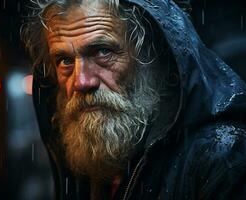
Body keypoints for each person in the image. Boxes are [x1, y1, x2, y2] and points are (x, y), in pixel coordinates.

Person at [22, 0, 246, 199]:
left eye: (103, 51)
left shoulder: (223, 157)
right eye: (64, 60)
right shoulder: (86, 160)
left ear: (154, 57)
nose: (81, 82)